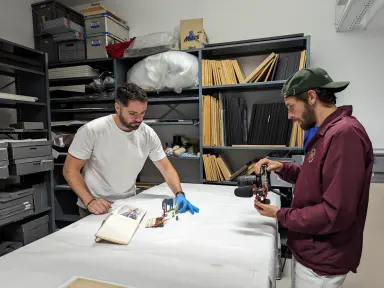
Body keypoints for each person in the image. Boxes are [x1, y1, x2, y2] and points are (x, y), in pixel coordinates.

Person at [253, 68, 374, 287]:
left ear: (311, 96)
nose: (290, 116)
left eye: (291, 107)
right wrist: (281, 167)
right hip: (309, 251)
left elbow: (334, 213)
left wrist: (281, 214)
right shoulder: (324, 133)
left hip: (321, 262)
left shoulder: (345, 134)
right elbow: (316, 181)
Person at [63, 83, 199, 218]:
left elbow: (166, 168)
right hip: (96, 206)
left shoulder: (147, 134)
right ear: (118, 107)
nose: (139, 119)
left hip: (127, 204)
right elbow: (70, 170)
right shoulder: (93, 130)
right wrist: (90, 201)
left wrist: (179, 194)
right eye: (132, 113)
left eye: (142, 113)